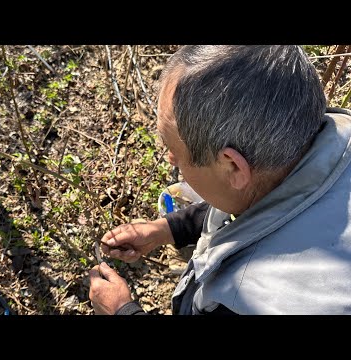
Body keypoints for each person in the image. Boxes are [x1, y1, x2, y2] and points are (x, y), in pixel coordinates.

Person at [88, 45, 351, 315]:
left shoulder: (253, 302)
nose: (170, 159)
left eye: (175, 150)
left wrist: (121, 310)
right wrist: (168, 229)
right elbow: (264, 201)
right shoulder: (319, 144)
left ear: (234, 167)